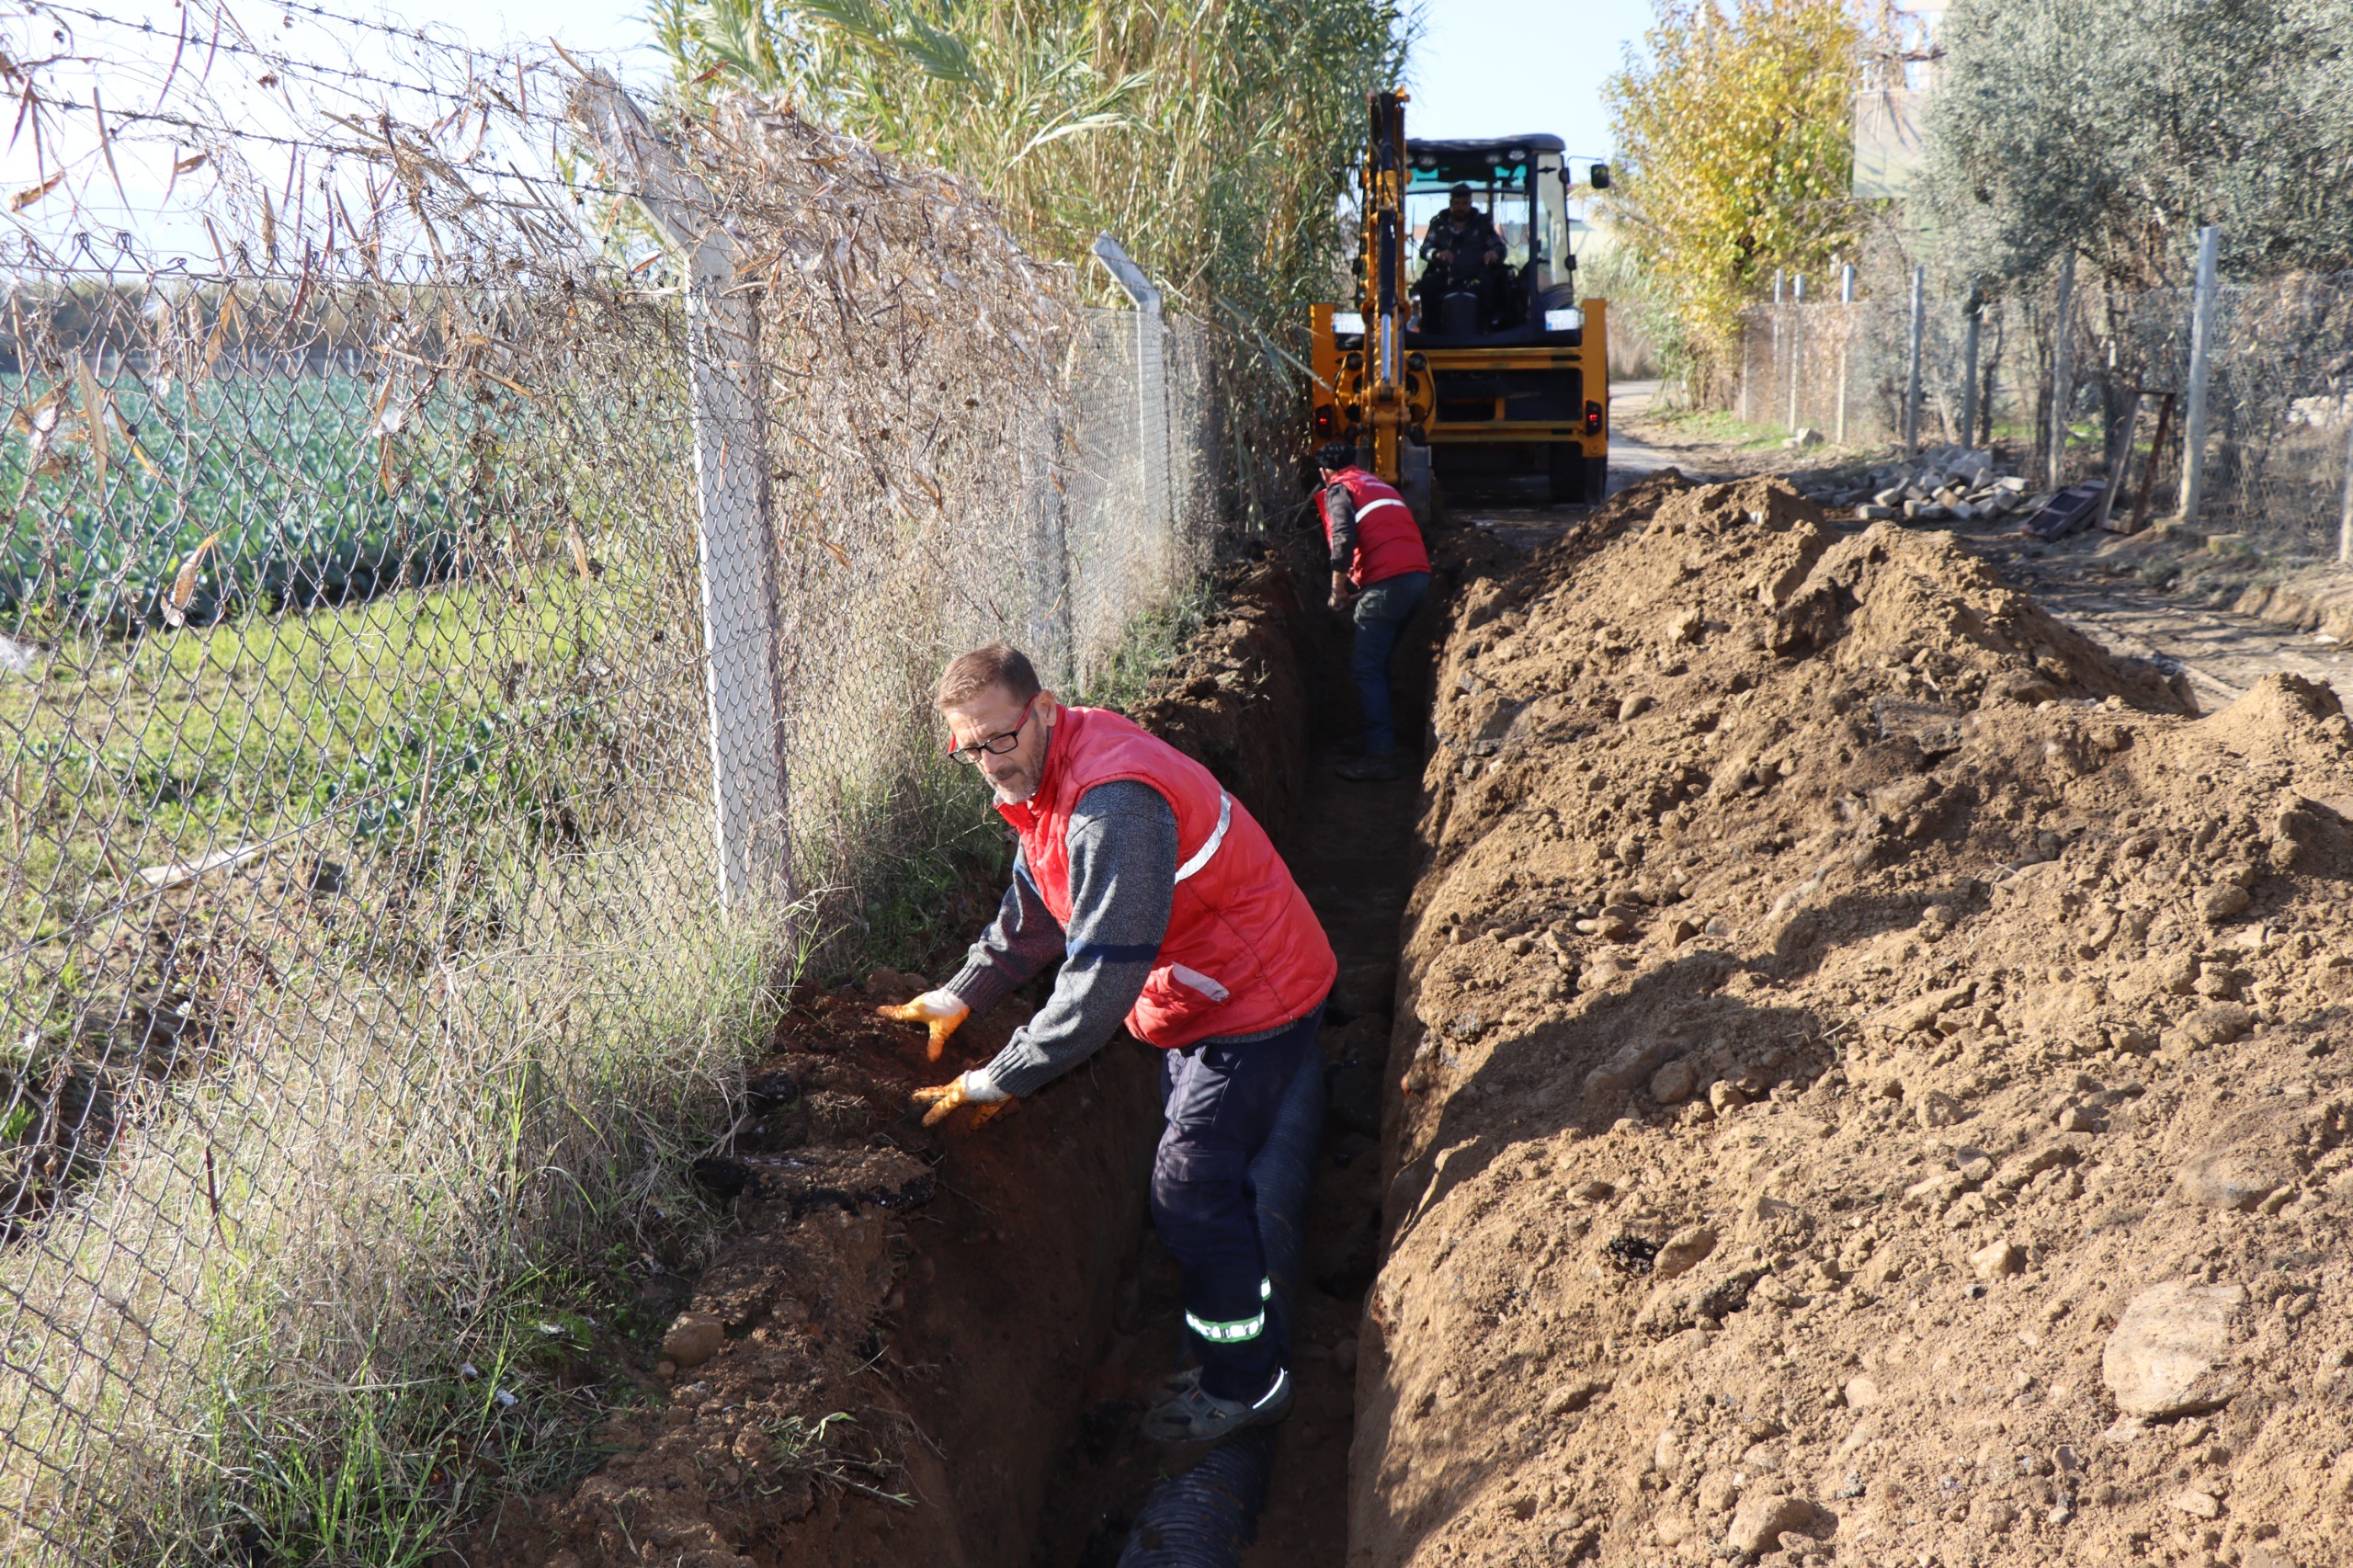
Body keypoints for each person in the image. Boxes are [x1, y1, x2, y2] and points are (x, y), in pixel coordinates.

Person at [880, 642, 1337, 1443]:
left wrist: (1001, 1077)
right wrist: (958, 995)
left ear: (1046, 708)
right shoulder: (1050, 777)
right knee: (1202, 1180)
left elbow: (1098, 982)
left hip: (1256, 997)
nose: (989, 760)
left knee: (1191, 1189)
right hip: (1201, 997)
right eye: (970, 747)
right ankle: (1231, 1328)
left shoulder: (1110, 804)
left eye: (1002, 737)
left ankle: (1248, 1384)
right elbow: (1037, 903)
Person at [1313, 440, 1431, 781]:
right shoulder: (1378, 485)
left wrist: (1337, 590)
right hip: (1417, 581)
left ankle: (1380, 754)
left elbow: (1344, 537)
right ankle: (1375, 737)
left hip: (1390, 586)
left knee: (1366, 668)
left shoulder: (1339, 489)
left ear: (1325, 472)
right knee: (1377, 665)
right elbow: (1389, 541)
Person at [1417, 183, 1506, 325]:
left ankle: (1492, 326)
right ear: (1451, 202)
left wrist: (1495, 254)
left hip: (1477, 277)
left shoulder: (1482, 224)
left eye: (1465, 203)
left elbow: (1500, 248)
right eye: (1457, 203)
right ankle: (1430, 328)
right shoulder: (1438, 224)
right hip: (1446, 276)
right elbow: (1425, 249)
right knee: (1427, 284)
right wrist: (1437, 254)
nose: (1461, 207)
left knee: (1499, 282)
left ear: (1470, 203)